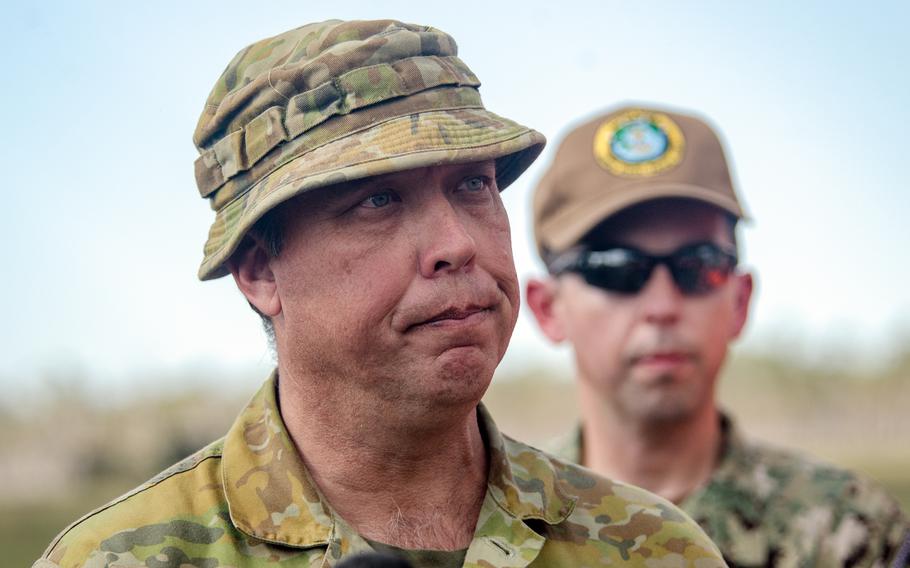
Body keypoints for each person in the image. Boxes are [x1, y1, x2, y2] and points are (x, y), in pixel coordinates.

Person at [33, 23, 727, 568]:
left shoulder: (651, 549)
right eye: (379, 200)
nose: (455, 243)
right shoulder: (127, 559)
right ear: (259, 271)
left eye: (473, 186)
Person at [526, 104, 910, 565]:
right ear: (548, 309)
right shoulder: (498, 530)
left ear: (741, 300)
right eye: (617, 269)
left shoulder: (850, 532)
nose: (662, 307)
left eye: (699, 266)